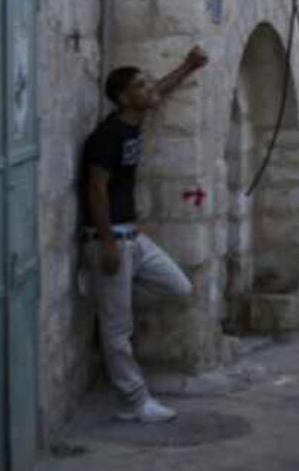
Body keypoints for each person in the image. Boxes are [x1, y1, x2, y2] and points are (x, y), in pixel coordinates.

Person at [81, 46, 209, 423]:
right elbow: (95, 189)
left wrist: (188, 66)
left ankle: (104, 291)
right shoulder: (107, 136)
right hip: (110, 240)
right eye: (140, 85)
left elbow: (161, 89)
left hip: (133, 240)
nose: (150, 87)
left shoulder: (133, 121)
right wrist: (105, 243)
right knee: (117, 328)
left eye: (147, 82)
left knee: (179, 287)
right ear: (124, 97)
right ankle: (133, 402)